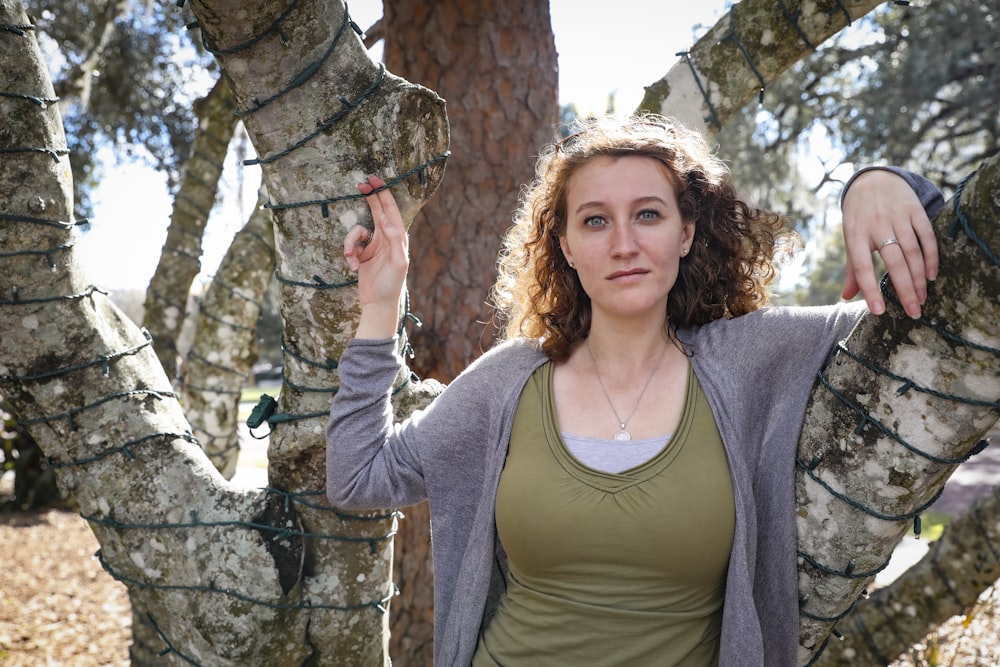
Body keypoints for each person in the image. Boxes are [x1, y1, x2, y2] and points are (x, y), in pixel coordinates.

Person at [326, 114, 943, 666]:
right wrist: (380, 307)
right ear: (565, 246)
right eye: (595, 221)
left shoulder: (751, 359)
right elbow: (357, 475)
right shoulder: (511, 381)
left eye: (648, 214)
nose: (624, 244)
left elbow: (921, 308)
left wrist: (880, 184)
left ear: (686, 233)